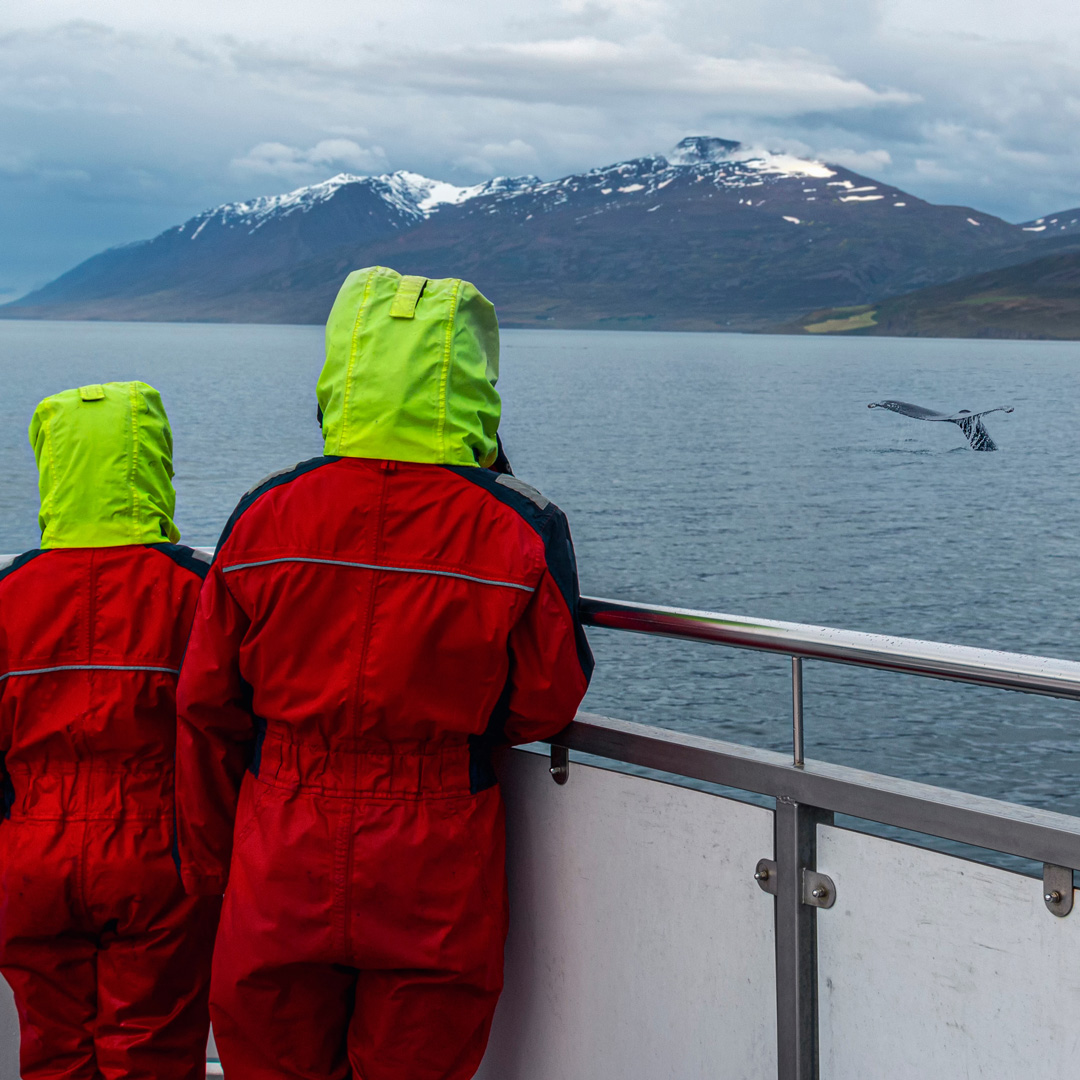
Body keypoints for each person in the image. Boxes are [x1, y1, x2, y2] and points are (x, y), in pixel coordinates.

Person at [175, 266, 594, 1080]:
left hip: (280, 840)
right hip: (435, 844)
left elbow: (206, 699)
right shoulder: (518, 522)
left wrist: (217, 865)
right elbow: (548, 700)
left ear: (343, 367)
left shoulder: (267, 511)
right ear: (474, 377)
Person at [0, 381, 220, 1080]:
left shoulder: (9, 593)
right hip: (156, 847)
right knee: (151, 1045)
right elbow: (227, 716)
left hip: (30, 849)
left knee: (54, 1047)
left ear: (51, 466)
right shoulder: (194, 588)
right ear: (151, 464)